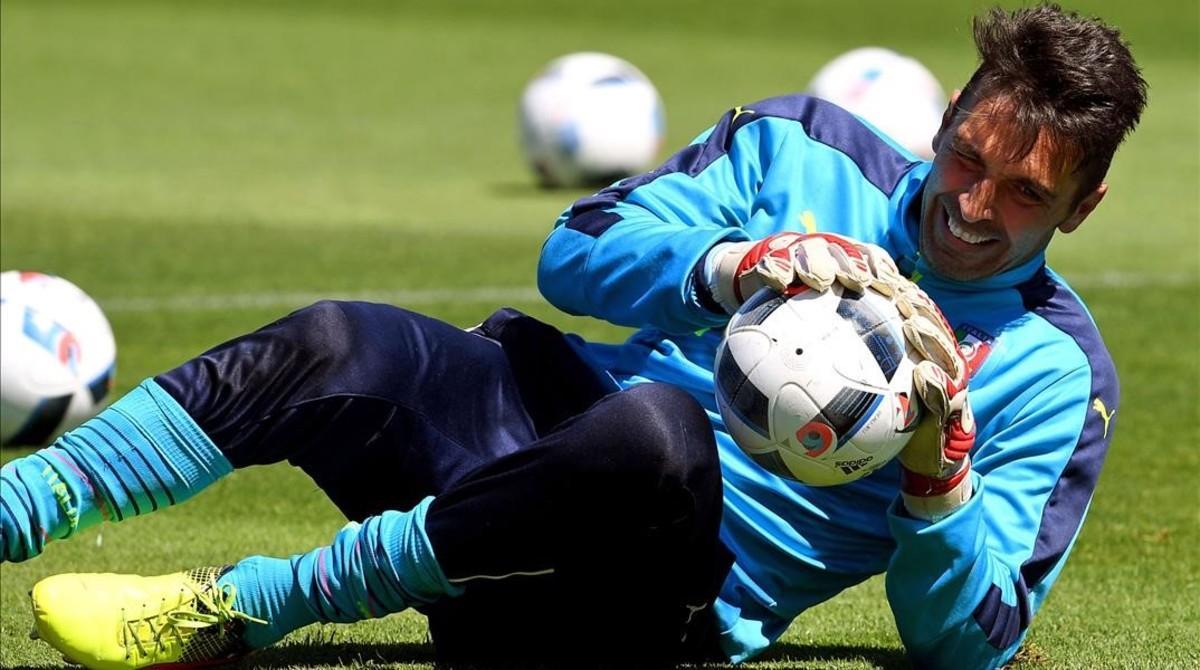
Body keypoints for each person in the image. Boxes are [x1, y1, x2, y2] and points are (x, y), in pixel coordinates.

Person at [1, 4, 1145, 669]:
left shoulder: (1055, 372)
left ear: (1079, 209)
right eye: (966, 159)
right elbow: (576, 248)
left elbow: (977, 640)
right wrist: (728, 268)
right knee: (340, 337)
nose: (974, 206)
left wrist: (936, 480)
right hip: (530, 436)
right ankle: (19, 509)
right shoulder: (806, 149)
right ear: (943, 121)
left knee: (656, 433)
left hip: (643, 598)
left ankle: (243, 606)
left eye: (1025, 196)